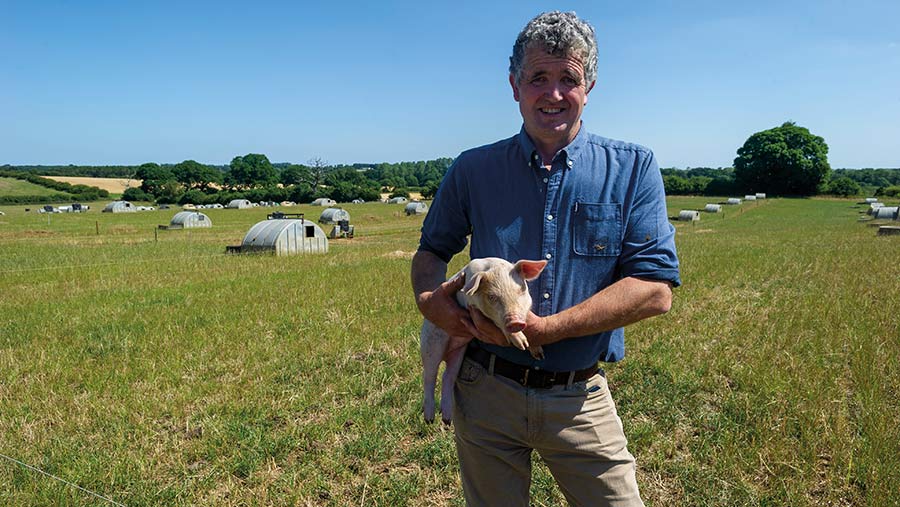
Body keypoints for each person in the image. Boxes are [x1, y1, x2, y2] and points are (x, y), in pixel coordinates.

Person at [411, 10, 680, 506]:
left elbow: (654, 289)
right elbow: (431, 253)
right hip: (486, 390)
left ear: (590, 85)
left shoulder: (633, 167)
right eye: (538, 78)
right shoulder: (473, 169)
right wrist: (433, 303)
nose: (552, 94)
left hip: (580, 398)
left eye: (568, 79)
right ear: (514, 86)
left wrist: (547, 330)